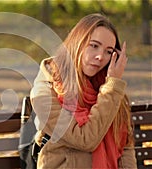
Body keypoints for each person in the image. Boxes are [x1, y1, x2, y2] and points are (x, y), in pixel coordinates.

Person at [30, 13, 136, 168]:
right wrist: (112, 88)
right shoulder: (45, 91)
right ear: (77, 42)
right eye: (94, 46)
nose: (100, 56)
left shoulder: (109, 88)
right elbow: (86, 140)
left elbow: (125, 146)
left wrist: (111, 87)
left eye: (108, 51)